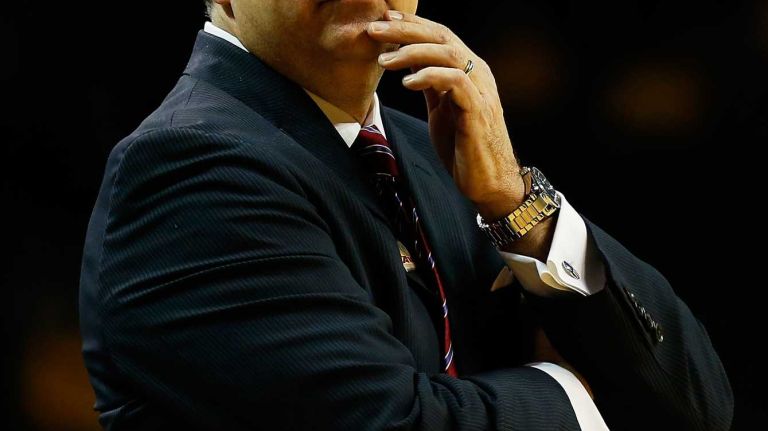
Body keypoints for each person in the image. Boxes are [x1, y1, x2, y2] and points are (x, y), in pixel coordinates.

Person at [78, 0, 733, 429]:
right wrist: (576, 393)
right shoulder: (188, 165)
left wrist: (515, 203)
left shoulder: (434, 150)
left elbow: (696, 404)